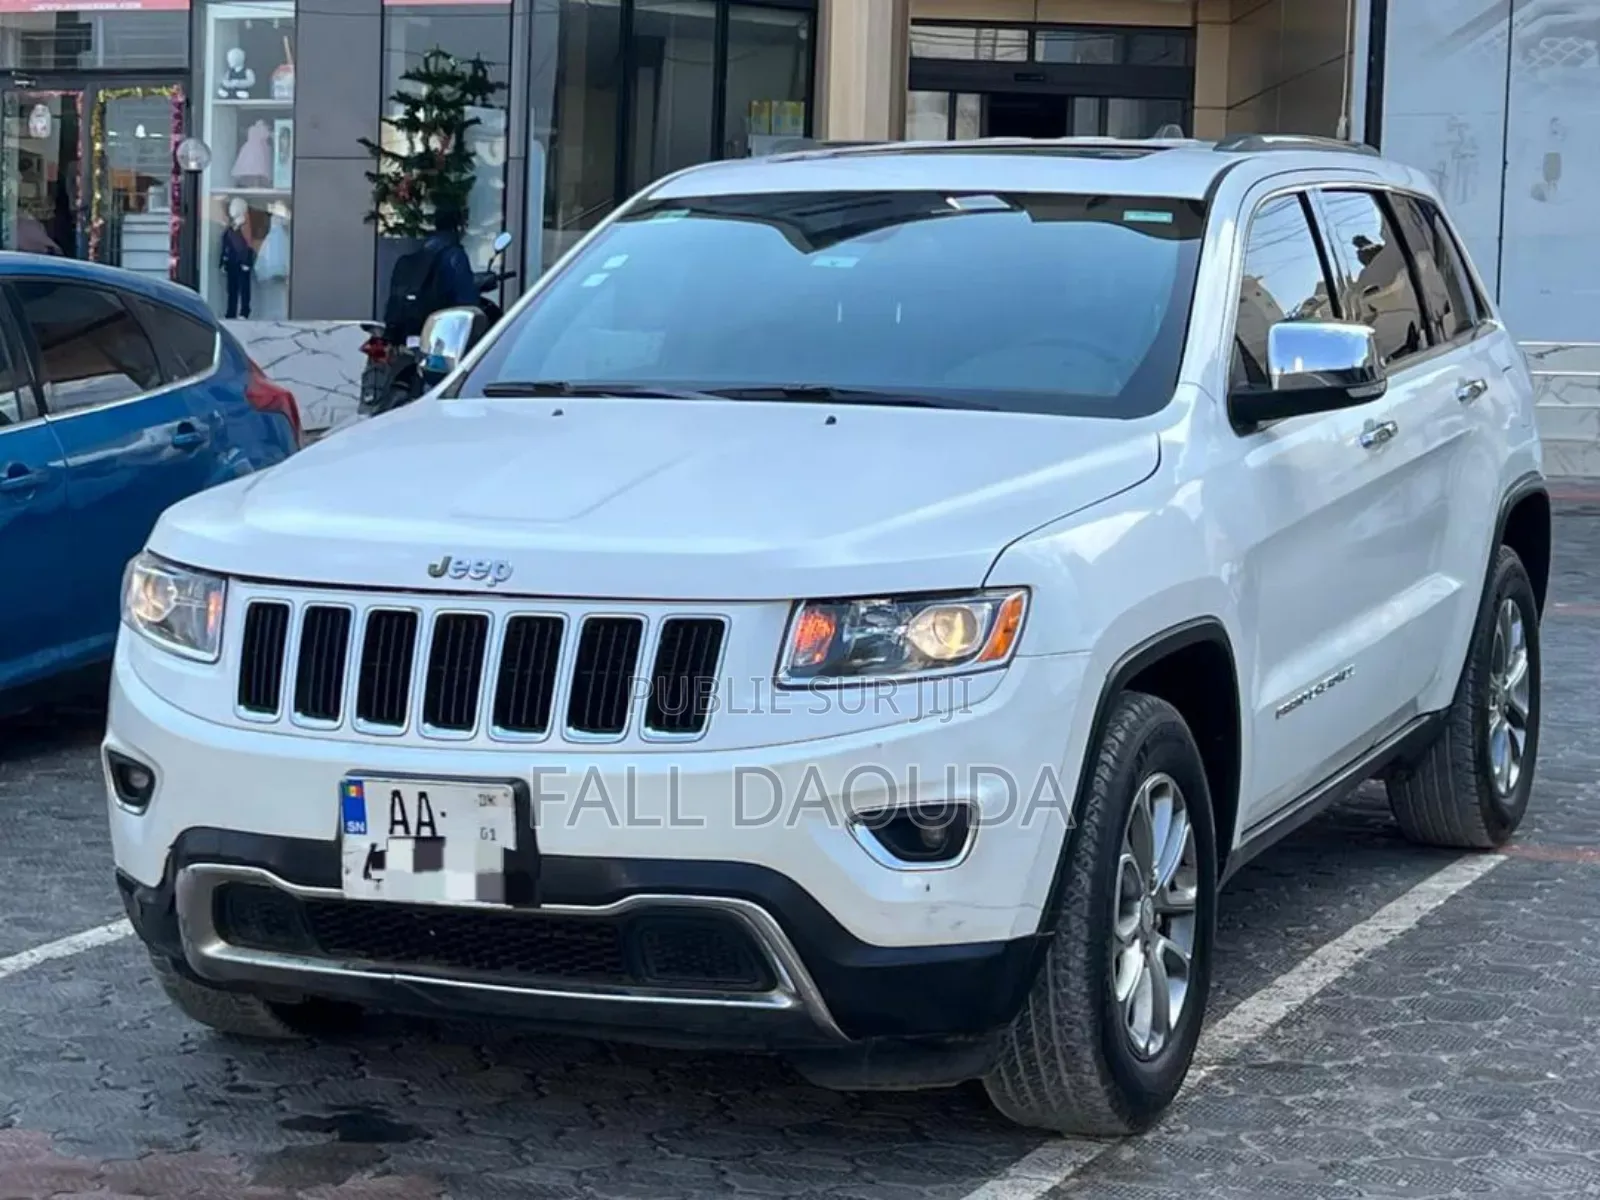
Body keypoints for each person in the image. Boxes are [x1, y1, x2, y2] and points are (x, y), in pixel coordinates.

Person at [423, 203, 479, 309]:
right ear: (457, 227)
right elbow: (467, 300)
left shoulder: (425, 249)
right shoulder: (455, 256)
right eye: (464, 224)